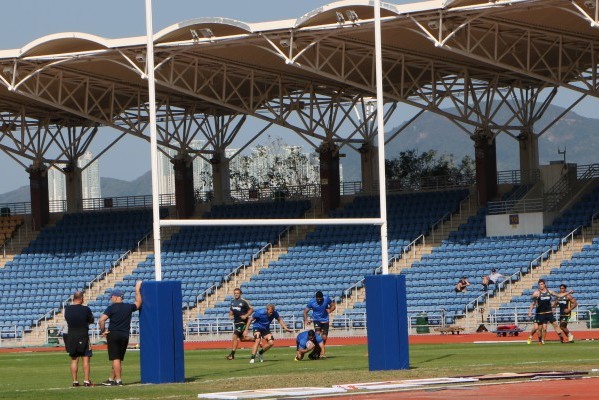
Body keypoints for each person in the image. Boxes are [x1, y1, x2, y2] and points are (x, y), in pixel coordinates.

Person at [98, 281, 142, 386]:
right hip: (124, 335)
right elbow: (139, 303)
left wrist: (103, 331)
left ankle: (118, 380)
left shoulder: (111, 308)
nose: (111, 299)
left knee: (115, 358)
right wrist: (137, 290)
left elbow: (101, 320)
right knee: (118, 358)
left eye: (112, 297)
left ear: (117, 297)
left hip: (113, 334)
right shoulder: (128, 307)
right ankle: (111, 379)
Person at [527, 279, 571, 345]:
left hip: (548, 312)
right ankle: (539, 340)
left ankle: (562, 339)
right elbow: (532, 302)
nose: (540, 286)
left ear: (544, 284)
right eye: (539, 285)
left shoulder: (549, 291)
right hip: (540, 313)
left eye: (541, 284)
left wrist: (568, 292)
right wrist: (530, 311)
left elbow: (559, 295)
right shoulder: (537, 293)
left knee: (555, 325)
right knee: (539, 328)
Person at [64, 291, 94, 387]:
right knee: (85, 359)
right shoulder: (86, 309)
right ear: (81, 298)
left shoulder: (67, 309)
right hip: (83, 335)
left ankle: (75, 381)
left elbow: (68, 320)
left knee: (74, 359)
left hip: (72, 336)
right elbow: (91, 320)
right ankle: (86, 381)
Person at [304, 291, 336, 358]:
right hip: (317, 320)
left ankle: (319, 350)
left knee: (324, 337)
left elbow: (333, 306)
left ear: (322, 298)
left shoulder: (326, 299)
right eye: (317, 299)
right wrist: (306, 319)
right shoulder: (312, 302)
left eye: (320, 299)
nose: (319, 300)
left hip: (325, 320)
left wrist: (330, 310)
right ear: (315, 298)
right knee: (317, 335)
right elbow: (305, 311)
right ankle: (318, 351)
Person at [226, 288, 254, 360]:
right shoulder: (232, 302)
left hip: (242, 322)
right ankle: (256, 340)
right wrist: (230, 315)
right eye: (235, 293)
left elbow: (251, 309)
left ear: (240, 294)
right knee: (242, 339)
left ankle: (232, 355)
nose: (236, 294)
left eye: (237, 293)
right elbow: (231, 310)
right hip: (236, 322)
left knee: (235, 336)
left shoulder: (244, 301)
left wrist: (246, 316)